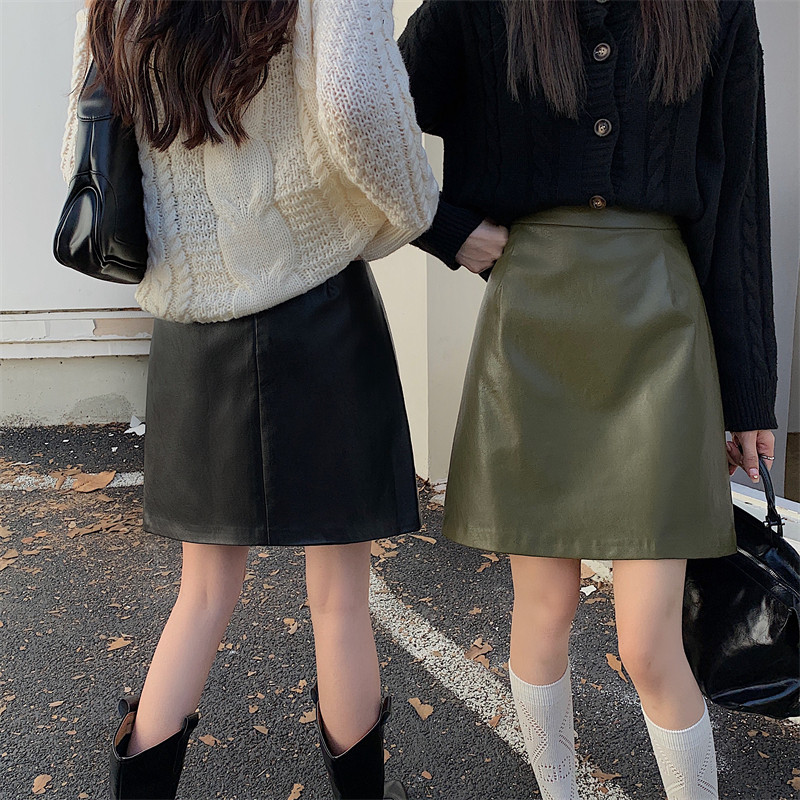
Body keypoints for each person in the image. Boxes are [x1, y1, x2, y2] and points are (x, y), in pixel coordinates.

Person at [400, 1, 777, 798]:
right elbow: (362, 120)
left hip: (662, 325)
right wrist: (446, 226)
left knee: (648, 643)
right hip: (532, 319)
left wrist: (749, 394)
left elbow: (739, 197)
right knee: (544, 609)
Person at [61, 2, 438, 798]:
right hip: (319, 305)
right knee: (340, 596)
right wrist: (404, 216)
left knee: (202, 595)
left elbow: (82, 147)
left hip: (193, 324)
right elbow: (356, 101)